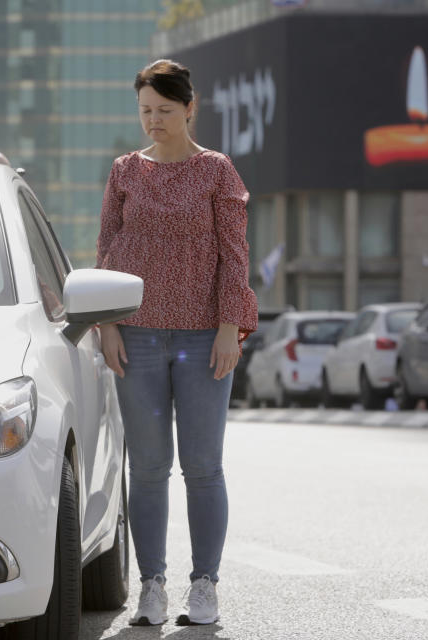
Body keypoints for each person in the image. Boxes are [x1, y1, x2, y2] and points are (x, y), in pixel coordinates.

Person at [95, 58, 258, 627]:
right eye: (145, 111)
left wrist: (228, 328)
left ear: (190, 108)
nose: (154, 121)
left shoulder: (217, 171)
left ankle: (205, 585)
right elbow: (107, 252)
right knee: (147, 468)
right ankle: (152, 586)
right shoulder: (123, 172)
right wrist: (107, 322)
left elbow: (235, 257)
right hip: (135, 337)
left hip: (202, 337)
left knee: (204, 467)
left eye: (165, 111)